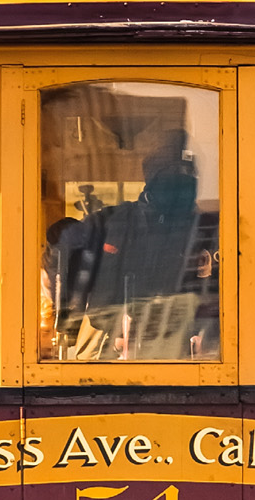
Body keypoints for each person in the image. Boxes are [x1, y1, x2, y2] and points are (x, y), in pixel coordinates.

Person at [48, 133, 215, 361]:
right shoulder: (114, 222)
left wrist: (201, 331)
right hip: (106, 337)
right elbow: (60, 246)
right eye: (172, 176)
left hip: (173, 342)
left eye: (186, 176)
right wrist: (67, 312)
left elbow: (210, 291)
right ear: (153, 180)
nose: (180, 186)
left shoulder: (201, 231)